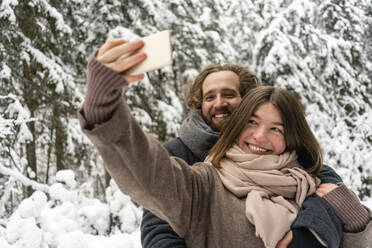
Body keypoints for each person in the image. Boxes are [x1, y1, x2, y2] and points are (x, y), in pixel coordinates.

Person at [79, 39, 371, 248]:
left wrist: (343, 224)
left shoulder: (307, 176)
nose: (259, 137)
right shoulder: (202, 180)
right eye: (253, 124)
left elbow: (350, 229)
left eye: (275, 129)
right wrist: (104, 109)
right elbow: (149, 176)